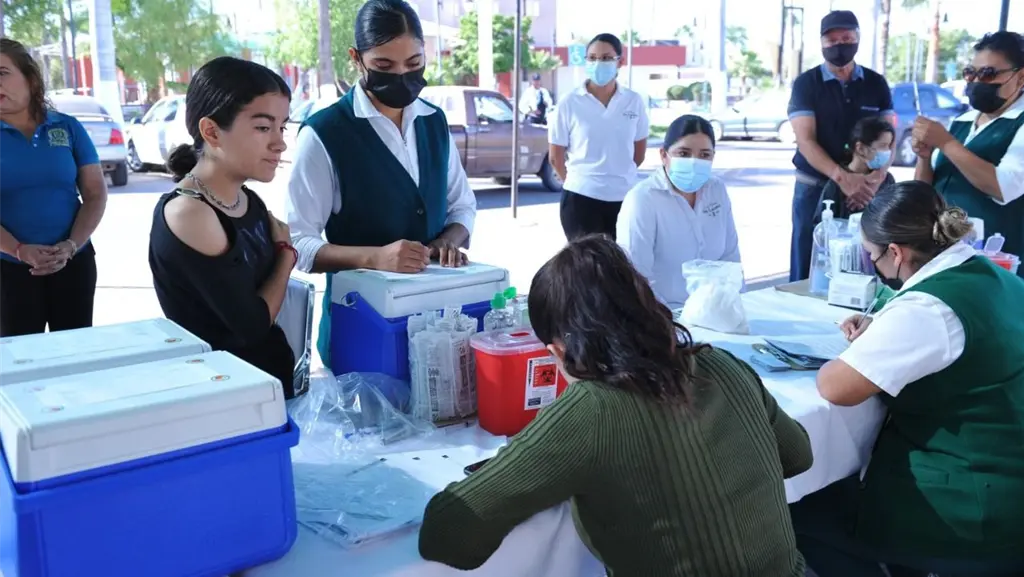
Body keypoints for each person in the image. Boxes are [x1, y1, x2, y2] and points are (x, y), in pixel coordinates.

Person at [419, 234, 813, 577]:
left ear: (558, 352)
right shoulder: (722, 365)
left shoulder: (591, 411)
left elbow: (448, 534)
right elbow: (797, 454)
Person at [792, 181, 1024, 577]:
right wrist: (886, 330)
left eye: (872, 256)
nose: (875, 267)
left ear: (896, 252)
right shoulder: (993, 275)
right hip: (1007, 478)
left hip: (970, 506)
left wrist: (872, 343)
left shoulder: (928, 310)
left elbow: (835, 386)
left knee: (797, 512)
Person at [286, 0, 476, 371]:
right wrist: (373, 258)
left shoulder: (434, 121)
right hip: (360, 327)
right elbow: (299, 244)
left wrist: (447, 241)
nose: (402, 76)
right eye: (384, 66)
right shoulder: (325, 134)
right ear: (356, 59)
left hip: (437, 323)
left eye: (414, 63)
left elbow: (462, 206)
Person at [148, 57, 299, 397]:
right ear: (212, 131)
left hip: (264, 391)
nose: (279, 143)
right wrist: (286, 255)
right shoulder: (191, 213)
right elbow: (252, 326)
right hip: (226, 399)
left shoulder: (246, 199)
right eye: (263, 128)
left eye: (282, 127)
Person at [0, 38, 107, 337]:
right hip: (8, 269)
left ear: (31, 79)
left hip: (73, 261)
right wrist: (19, 250)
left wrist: (71, 246)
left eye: (2, 73)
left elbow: (95, 194)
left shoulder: (67, 127)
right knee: (20, 357)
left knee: (76, 351)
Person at [787, 10, 895, 282]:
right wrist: (843, 179)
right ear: (821, 43)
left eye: (846, 38)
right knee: (809, 263)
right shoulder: (806, 84)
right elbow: (806, 140)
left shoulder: (876, 83)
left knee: (867, 263)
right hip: (815, 188)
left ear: (857, 38)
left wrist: (875, 179)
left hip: (868, 189)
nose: (839, 45)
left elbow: (889, 138)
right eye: (832, 40)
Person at [911, 31, 1024, 280]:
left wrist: (945, 142)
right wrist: (924, 157)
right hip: (945, 255)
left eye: (988, 73)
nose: (976, 81)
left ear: (1021, 77)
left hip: (998, 262)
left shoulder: (1022, 122)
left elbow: (1004, 186)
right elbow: (924, 190)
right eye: (970, 73)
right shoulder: (962, 122)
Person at [617, 114, 740, 308]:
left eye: (704, 155)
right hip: (663, 312)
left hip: (715, 309)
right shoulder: (643, 199)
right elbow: (636, 276)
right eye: (684, 153)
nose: (694, 162)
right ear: (663, 155)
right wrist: (667, 317)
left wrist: (734, 303)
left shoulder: (716, 190)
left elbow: (730, 257)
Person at [548, 33, 649, 241]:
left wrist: (617, 176)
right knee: (587, 261)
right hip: (580, 199)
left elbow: (638, 155)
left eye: (606, 58)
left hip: (625, 198)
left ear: (620, 62)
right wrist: (579, 182)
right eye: (592, 58)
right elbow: (555, 157)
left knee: (623, 259)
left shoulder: (634, 101)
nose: (598, 63)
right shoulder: (569, 103)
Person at [813, 117, 896, 225]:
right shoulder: (838, 183)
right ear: (860, 148)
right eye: (882, 146)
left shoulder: (887, 180)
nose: (887, 152)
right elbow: (820, 225)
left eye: (889, 146)